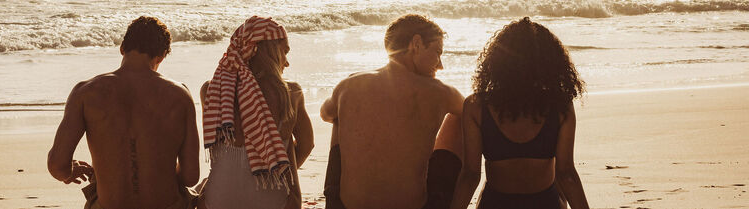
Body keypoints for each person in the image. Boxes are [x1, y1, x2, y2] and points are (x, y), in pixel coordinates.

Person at [47, 16, 200, 209]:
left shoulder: (85, 92)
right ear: (161, 56)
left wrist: (68, 172)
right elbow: (190, 177)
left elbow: (58, 166)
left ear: (122, 48)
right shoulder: (180, 95)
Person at [321, 14, 464, 209]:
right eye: (438, 53)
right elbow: (473, 115)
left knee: (340, 114)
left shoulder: (350, 84)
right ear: (416, 44)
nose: (440, 65)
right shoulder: (441, 93)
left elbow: (325, 114)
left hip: (346, 206)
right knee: (460, 119)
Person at [451, 17, 589, 209]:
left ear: (498, 62)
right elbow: (566, 173)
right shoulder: (561, 106)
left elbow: (470, 175)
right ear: (550, 63)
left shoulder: (476, 105)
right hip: (545, 204)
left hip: (495, 203)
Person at [197, 16, 314, 209]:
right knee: (286, 145)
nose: (286, 63)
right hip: (272, 202)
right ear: (270, 52)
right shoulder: (291, 93)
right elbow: (307, 145)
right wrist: (275, 169)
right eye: (284, 52)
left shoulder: (212, 90)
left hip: (218, 201)